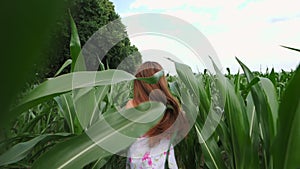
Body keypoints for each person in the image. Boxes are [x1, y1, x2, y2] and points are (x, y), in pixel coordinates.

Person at [125, 61, 188, 169]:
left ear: (139, 83)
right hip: (162, 162)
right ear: (161, 82)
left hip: (138, 161)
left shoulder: (131, 105)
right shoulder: (168, 108)